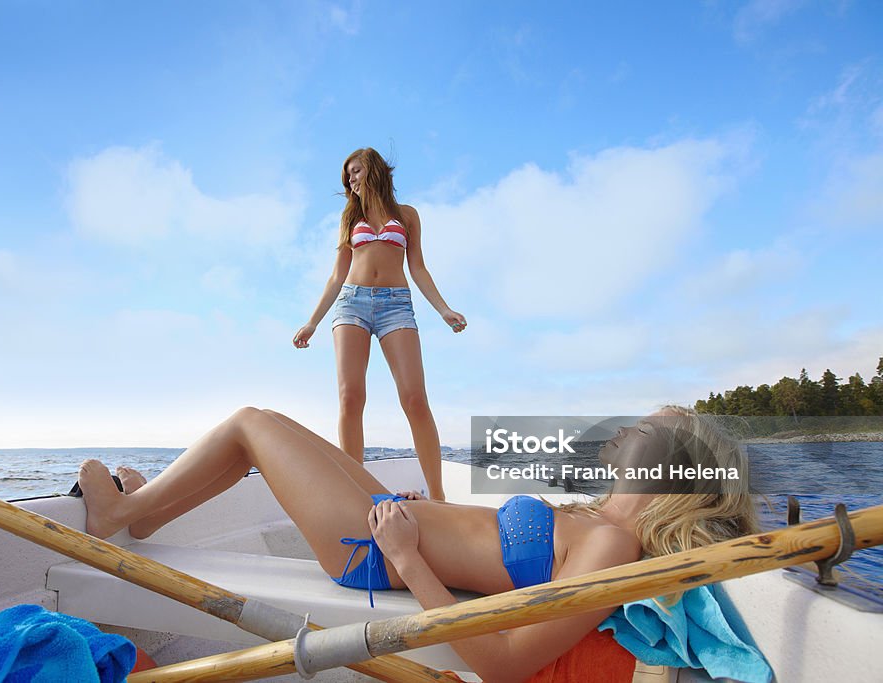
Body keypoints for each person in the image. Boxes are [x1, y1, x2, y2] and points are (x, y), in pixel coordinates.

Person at [78, 406, 757, 682]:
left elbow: (503, 661)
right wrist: (424, 514)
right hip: (389, 520)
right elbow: (483, 541)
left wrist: (407, 555)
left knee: (252, 425)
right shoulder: (598, 521)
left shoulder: (613, 547)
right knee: (266, 428)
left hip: (370, 549)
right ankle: (145, 514)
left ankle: (123, 514)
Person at [292, 147, 465, 501]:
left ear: (373, 170)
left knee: (415, 398)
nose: (351, 179)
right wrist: (312, 322)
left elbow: (417, 267)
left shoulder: (407, 215)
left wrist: (444, 310)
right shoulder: (349, 218)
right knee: (350, 397)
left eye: (355, 171)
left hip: (396, 306)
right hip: (351, 305)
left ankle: (438, 497)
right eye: (347, 176)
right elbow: (337, 275)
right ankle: (356, 493)